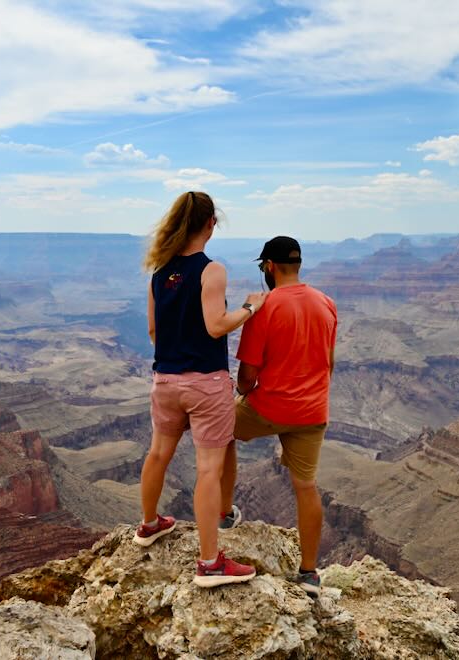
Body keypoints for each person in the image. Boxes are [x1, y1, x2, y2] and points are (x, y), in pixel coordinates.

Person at [135, 190, 267, 588]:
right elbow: (215, 326)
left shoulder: (159, 273)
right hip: (206, 384)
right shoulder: (212, 271)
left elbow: (154, 331)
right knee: (208, 469)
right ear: (211, 224)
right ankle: (210, 563)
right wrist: (249, 308)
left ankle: (149, 524)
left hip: (165, 380)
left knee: (158, 453)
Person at [220, 236, 338, 597]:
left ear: (268, 267)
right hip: (312, 411)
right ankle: (309, 573)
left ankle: (224, 513)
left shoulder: (265, 307)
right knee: (306, 486)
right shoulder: (327, 303)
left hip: (268, 407)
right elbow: (328, 362)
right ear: (297, 265)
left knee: (221, 432)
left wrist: (240, 394)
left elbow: (247, 375)